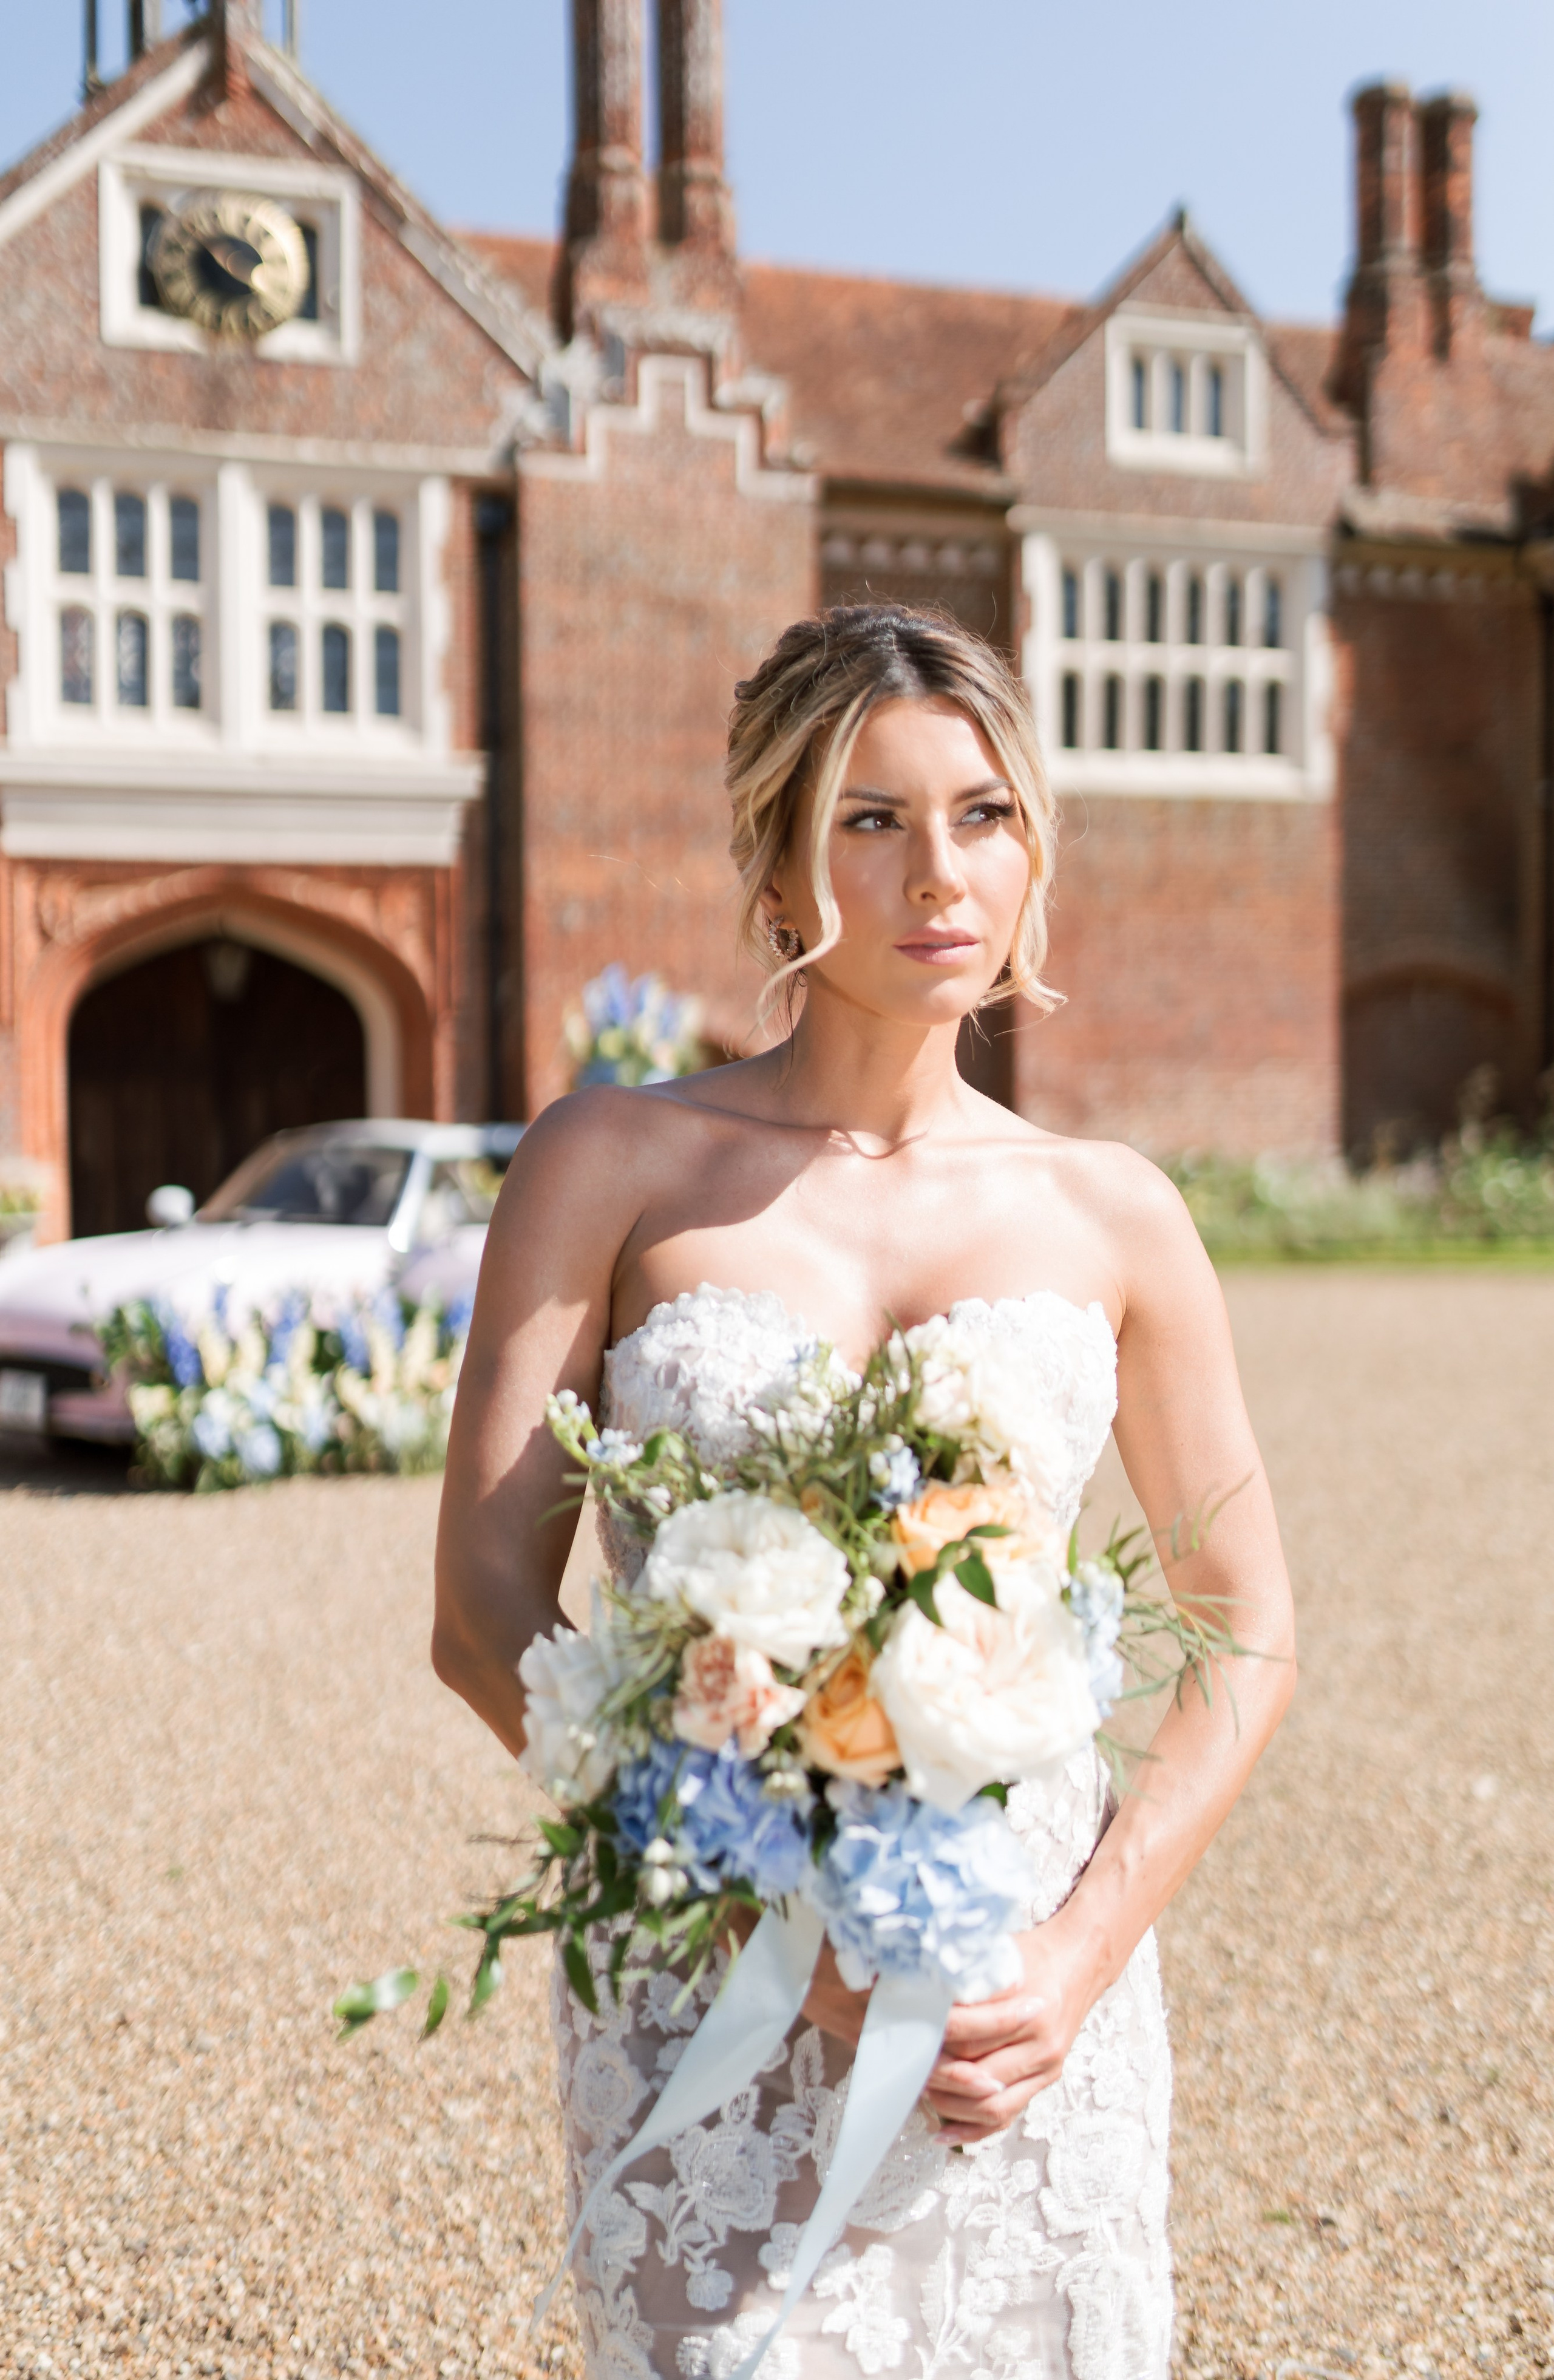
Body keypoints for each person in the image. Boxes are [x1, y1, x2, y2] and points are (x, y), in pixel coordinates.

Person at [432, 604, 1297, 2380]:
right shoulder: (613, 1165)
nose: (938, 874)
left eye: (983, 816)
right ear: (775, 864)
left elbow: (1249, 1624)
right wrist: (759, 1911)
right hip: (709, 1984)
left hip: (1017, 2006)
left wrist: (1080, 1956)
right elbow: (482, 1611)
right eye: (872, 819)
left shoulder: (1118, 1211)